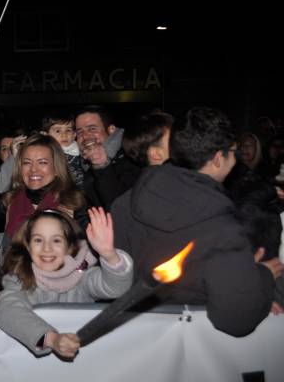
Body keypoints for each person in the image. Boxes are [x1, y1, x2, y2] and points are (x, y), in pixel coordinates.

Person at [112, 107, 284, 337]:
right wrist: (260, 279)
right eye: (233, 151)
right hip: (194, 349)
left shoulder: (122, 204)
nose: (236, 158)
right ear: (217, 158)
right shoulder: (221, 223)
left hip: (137, 338)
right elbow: (234, 319)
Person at [0, 208, 133, 359]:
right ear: (28, 246)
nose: (47, 248)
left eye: (56, 240)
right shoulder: (19, 279)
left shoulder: (82, 276)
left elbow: (115, 288)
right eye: (38, 240)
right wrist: (52, 339)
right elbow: (7, 309)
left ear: (69, 247)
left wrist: (109, 255)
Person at [75, 105, 140, 209]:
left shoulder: (132, 158)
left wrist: (102, 165)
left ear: (111, 130)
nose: (85, 136)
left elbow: (121, 209)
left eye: (92, 129)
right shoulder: (76, 164)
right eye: (79, 132)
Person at [41, 114, 84, 186]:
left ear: (74, 135)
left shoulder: (83, 153)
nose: (64, 135)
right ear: (46, 135)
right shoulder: (43, 155)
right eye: (58, 131)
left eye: (68, 130)